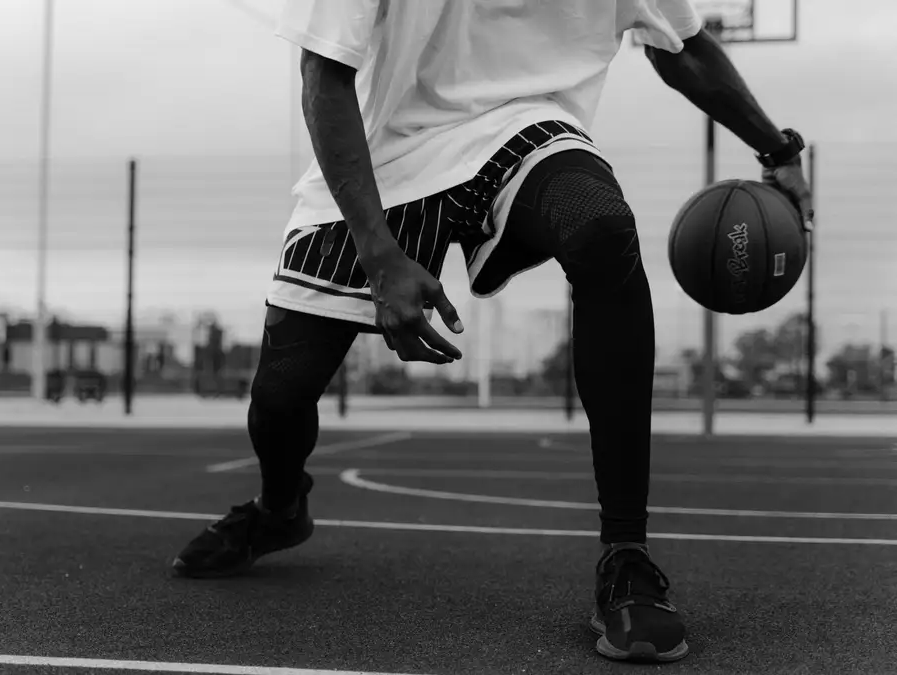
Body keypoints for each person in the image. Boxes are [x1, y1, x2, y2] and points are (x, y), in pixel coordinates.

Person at [173, 0, 813, 663]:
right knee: (280, 396)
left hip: (529, 133)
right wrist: (379, 254)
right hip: (383, 152)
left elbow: (686, 48)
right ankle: (280, 507)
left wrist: (778, 149)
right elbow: (323, 77)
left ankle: (627, 556)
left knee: (601, 228)